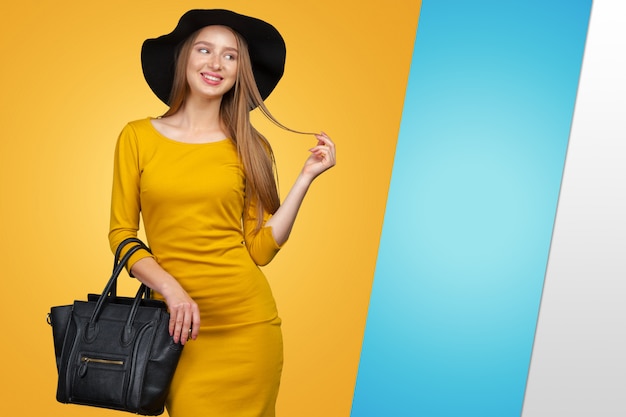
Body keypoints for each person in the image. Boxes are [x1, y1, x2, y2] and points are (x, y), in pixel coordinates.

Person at [108, 9, 336, 417]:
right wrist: (173, 291)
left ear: (239, 72)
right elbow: (121, 236)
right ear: (184, 58)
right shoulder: (137, 137)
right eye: (205, 50)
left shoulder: (252, 147)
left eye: (230, 56)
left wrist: (306, 178)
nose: (216, 63)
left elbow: (260, 249)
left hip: (248, 328)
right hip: (178, 332)